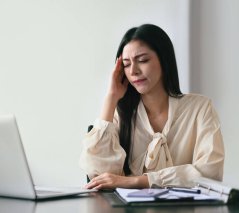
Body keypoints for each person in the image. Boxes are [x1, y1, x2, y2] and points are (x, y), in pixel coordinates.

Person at [79, 24, 224, 190]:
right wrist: (111, 97)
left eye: (143, 60)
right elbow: (99, 175)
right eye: (126, 64)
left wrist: (138, 181)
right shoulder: (121, 115)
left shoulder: (200, 108)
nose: (133, 70)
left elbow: (210, 173)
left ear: (164, 60)